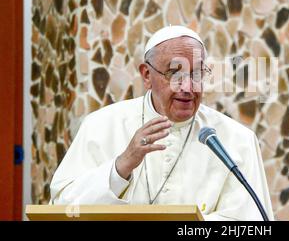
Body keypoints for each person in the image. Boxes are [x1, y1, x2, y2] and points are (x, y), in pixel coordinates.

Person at [50, 25, 274, 221]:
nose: (187, 87)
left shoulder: (237, 140)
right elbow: (62, 209)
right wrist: (121, 167)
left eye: (196, 73)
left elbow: (251, 222)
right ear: (147, 75)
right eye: (174, 73)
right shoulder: (100, 126)